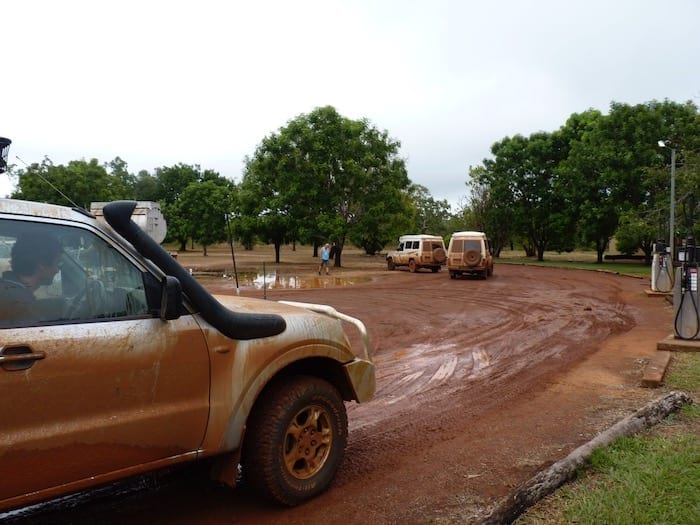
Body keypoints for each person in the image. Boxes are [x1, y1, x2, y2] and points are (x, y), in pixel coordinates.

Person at [0, 233, 63, 324]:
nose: (57, 270)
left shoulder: (6, 290)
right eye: (57, 264)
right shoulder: (23, 306)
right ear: (42, 265)